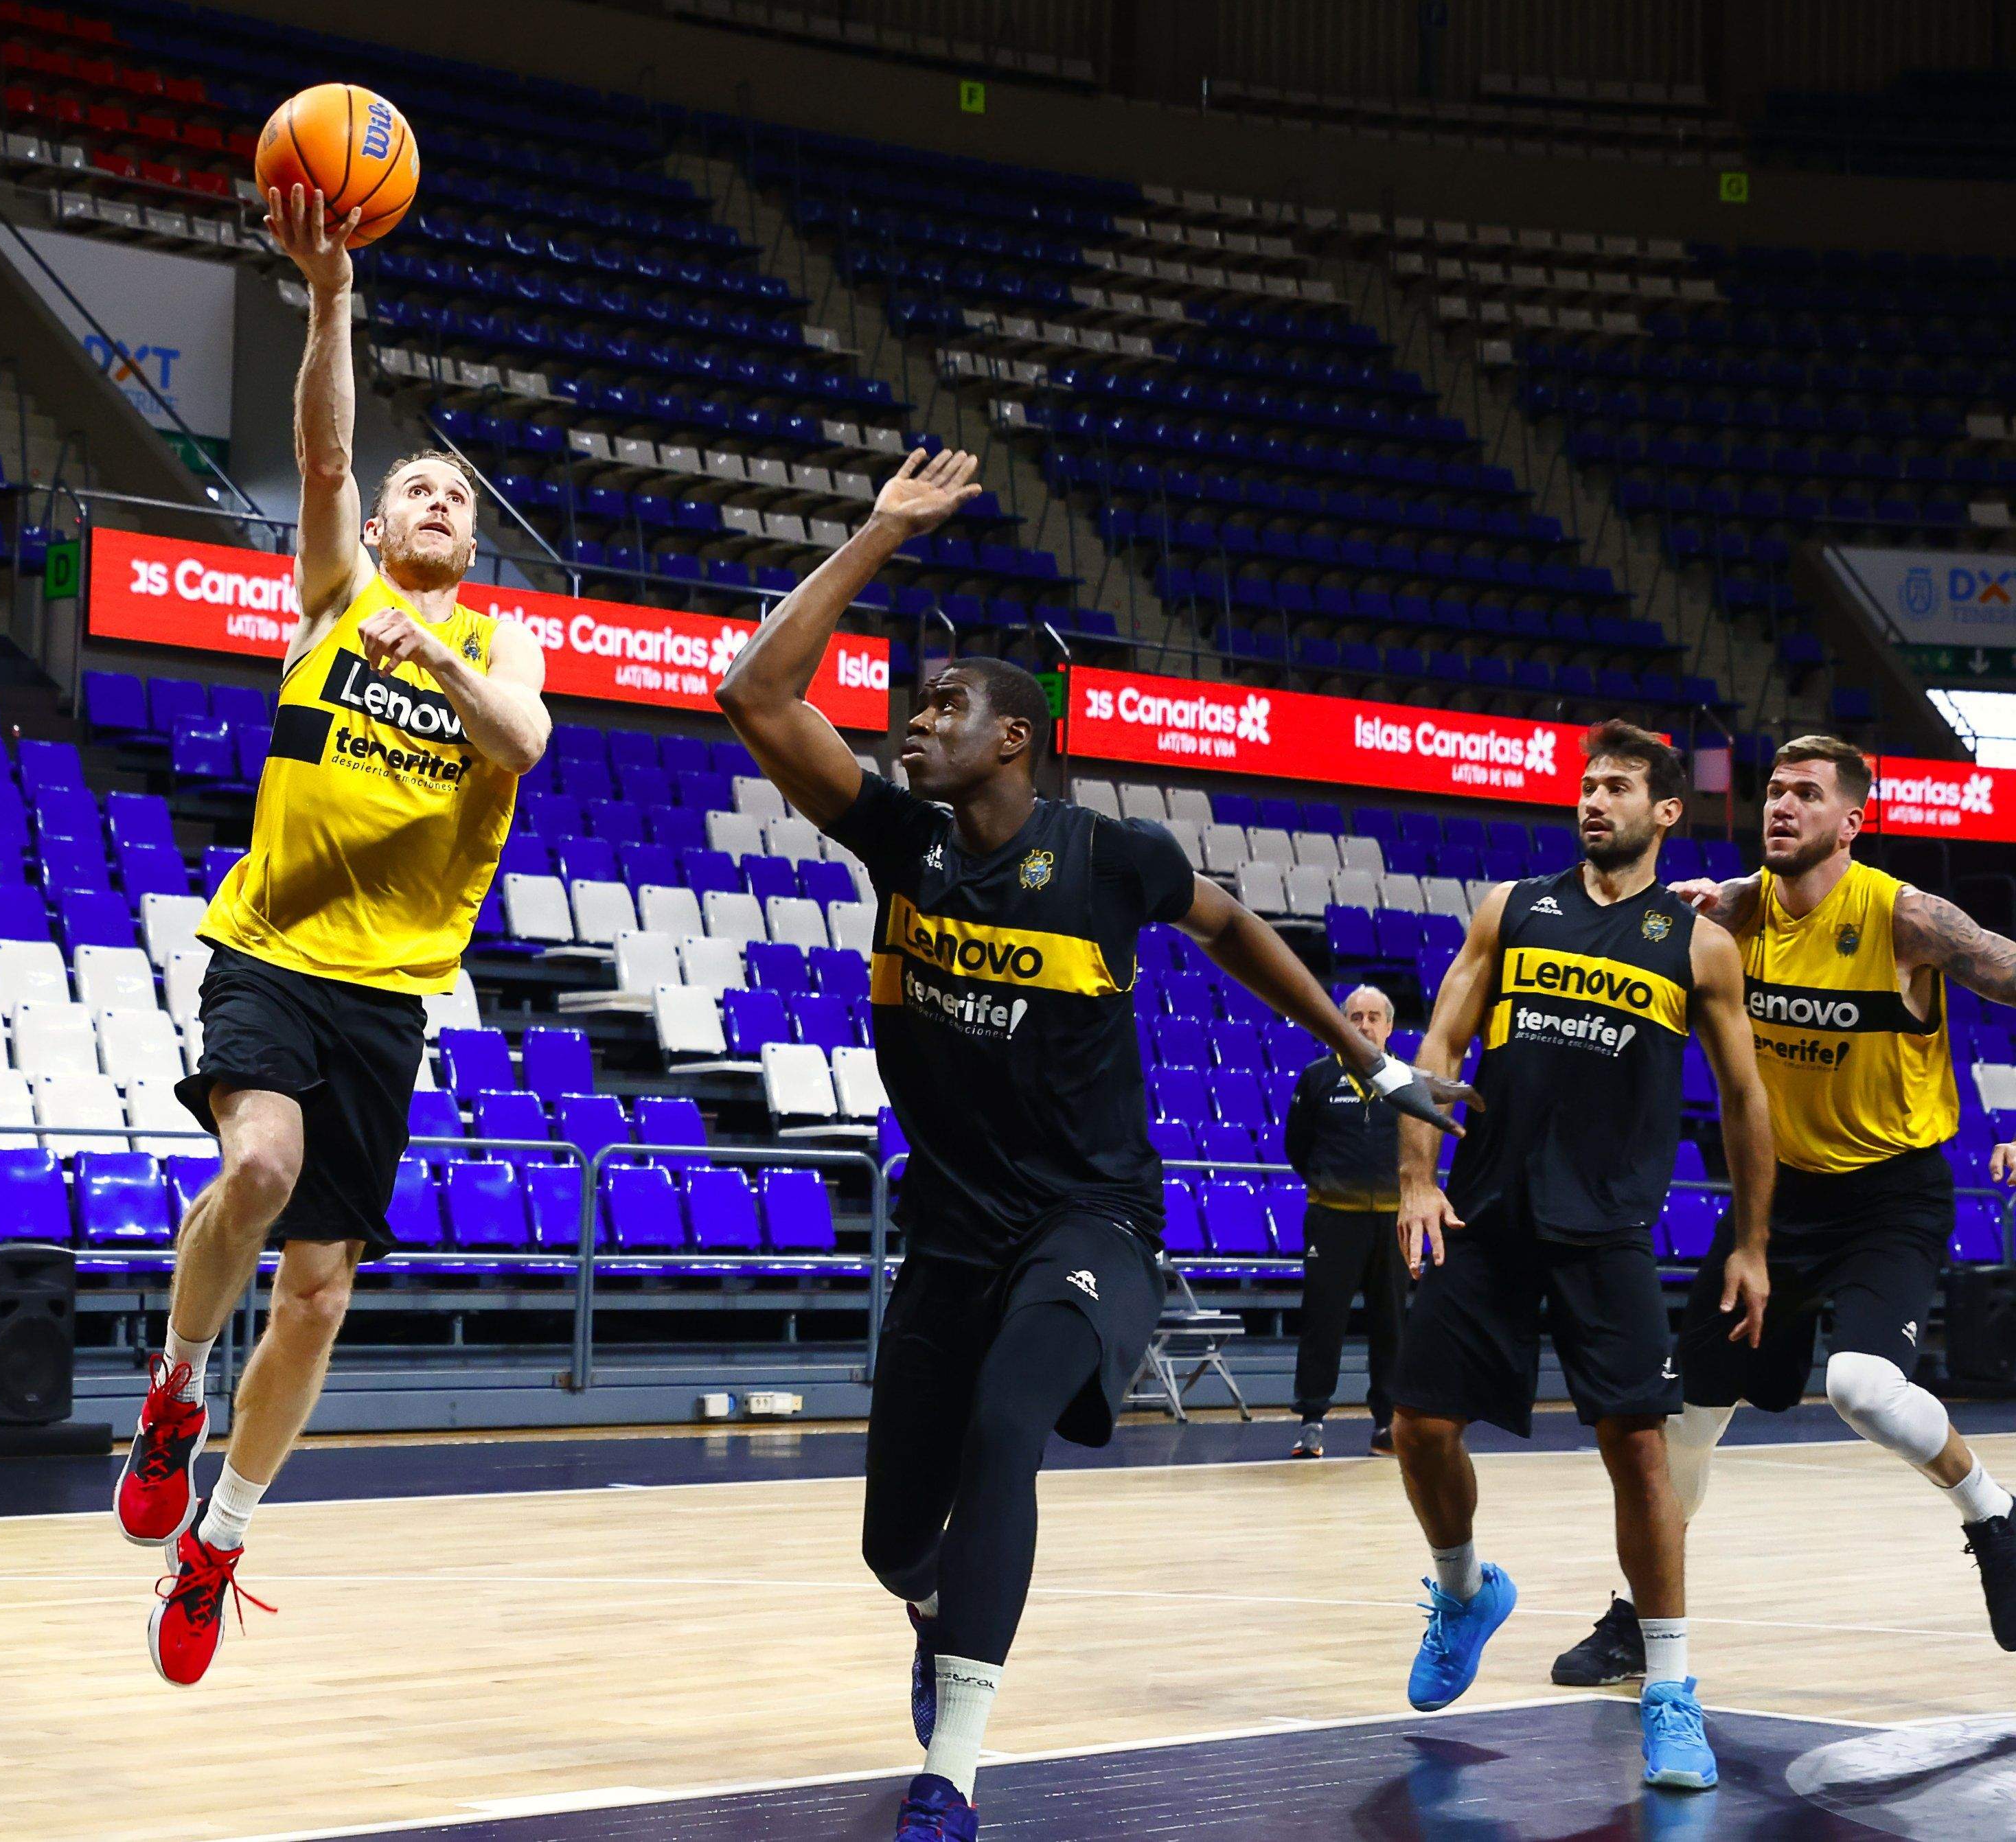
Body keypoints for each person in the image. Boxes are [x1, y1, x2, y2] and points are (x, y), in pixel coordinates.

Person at [715, 448, 1473, 1842]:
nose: (911, 723)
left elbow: (1235, 925)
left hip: (1092, 1225)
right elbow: (752, 692)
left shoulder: (1106, 856)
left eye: (942, 706)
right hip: (948, 1231)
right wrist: (879, 531)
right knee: (895, 1542)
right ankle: (934, 1606)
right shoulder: (900, 844)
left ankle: (955, 1770)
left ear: (1014, 738)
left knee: (1009, 1429)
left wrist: (1363, 1053)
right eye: (913, 701)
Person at [110, 187, 550, 1688]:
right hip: (272, 951)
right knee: (258, 1168)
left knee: (319, 1291)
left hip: (390, 993)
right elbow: (314, 444)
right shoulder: (327, 595)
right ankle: (172, 1386)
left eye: (455, 500)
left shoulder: (494, 643)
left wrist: (429, 649)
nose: (436, 504)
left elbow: (525, 745)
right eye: (413, 490)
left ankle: (219, 1536)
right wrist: (329, 299)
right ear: (370, 525)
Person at [1550, 735, 2016, 1690]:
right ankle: (1640, 1618)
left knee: (1864, 1391)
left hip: (1889, 1193)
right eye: (1773, 790)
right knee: (1684, 1415)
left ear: (1852, 822)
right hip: (1775, 1198)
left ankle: (1995, 1518)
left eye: (1807, 794)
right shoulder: (1732, 913)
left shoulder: (1906, 917)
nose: (1781, 806)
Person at [1387, 724, 1772, 1792]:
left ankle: (1670, 1689)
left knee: (1639, 1451)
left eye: (1618, 786)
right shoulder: (1511, 907)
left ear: (1666, 812)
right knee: (1418, 1430)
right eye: (1586, 785)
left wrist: (1751, 1243)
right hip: (1489, 1212)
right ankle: (1465, 1590)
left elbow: (1746, 1101)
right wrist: (1419, 1177)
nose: (1593, 800)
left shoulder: (1698, 945)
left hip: (1606, 1228)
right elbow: (1438, 1049)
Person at [1283, 984, 1408, 1460]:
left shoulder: (1404, 1080)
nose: (1364, 1025)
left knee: (1391, 1324)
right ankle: (1312, 1421)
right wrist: (1328, 1185)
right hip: (1333, 1220)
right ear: (1341, 1023)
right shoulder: (1316, 1078)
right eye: (1355, 1017)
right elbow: (1296, 1147)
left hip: (1392, 1224)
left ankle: (1386, 1424)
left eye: (1374, 1017)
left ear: (1390, 1026)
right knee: (1323, 1321)